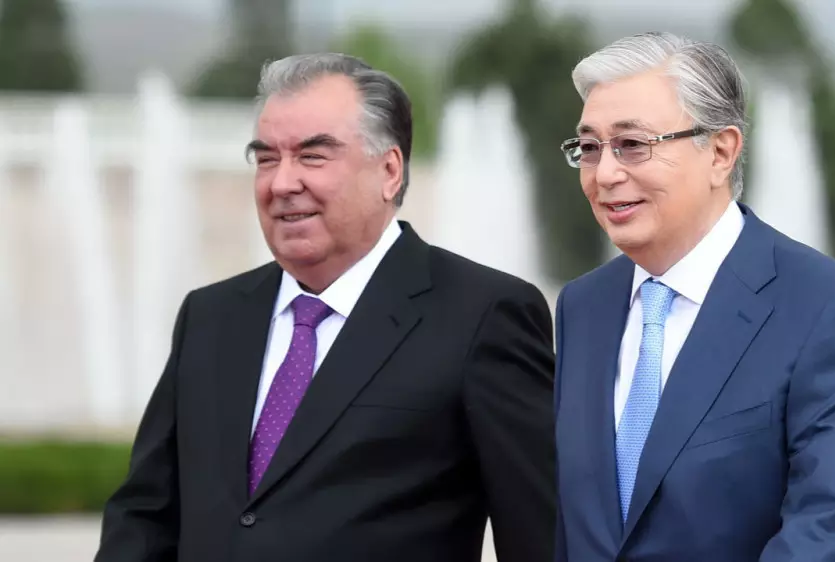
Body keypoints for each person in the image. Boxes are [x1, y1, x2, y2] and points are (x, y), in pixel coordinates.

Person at [94, 53, 556, 562]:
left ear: (389, 170)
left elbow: (538, 532)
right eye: (266, 159)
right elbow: (145, 516)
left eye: (312, 156)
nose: (282, 183)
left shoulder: (483, 315)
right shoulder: (210, 316)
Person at [552, 31, 835, 562]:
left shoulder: (831, 310)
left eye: (633, 145)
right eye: (589, 148)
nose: (604, 173)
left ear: (721, 152)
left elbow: (828, 536)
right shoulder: (583, 306)